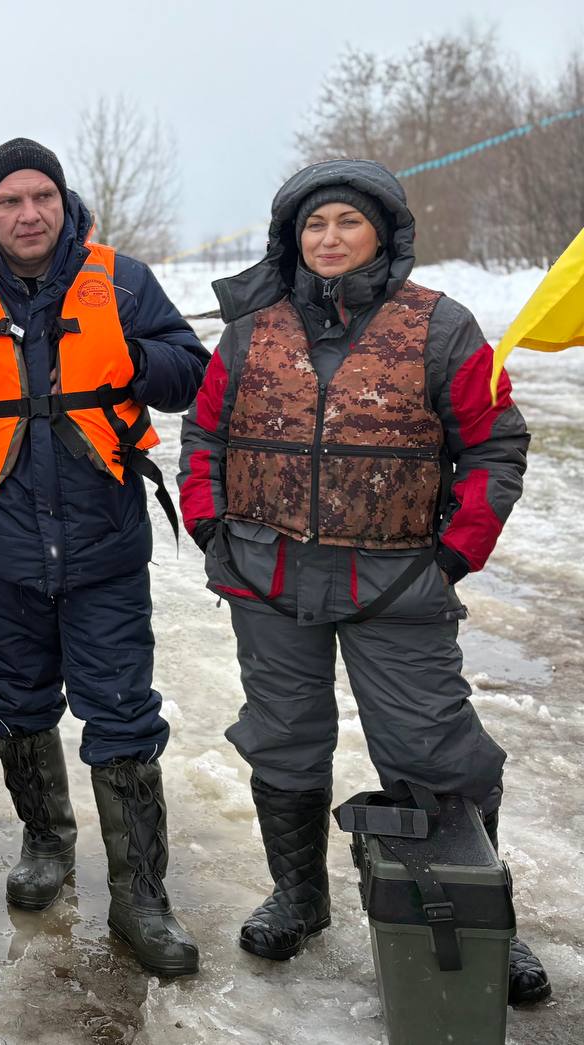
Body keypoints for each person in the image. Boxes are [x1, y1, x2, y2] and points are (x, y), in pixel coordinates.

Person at [177, 158, 550, 1004]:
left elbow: (496, 443)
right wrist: (211, 528)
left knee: (434, 746)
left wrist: (455, 554)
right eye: (314, 225)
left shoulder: (441, 327)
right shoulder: (250, 330)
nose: (330, 238)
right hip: (268, 577)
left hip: (398, 584)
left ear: (383, 231)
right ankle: (300, 895)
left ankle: (481, 911)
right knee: (283, 739)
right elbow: (203, 435)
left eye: (347, 221)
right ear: (293, 239)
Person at [0, 139, 208, 977]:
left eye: (42, 198)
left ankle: (142, 896)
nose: (28, 214)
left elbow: (191, 374)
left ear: (64, 205)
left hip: (103, 546)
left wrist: (134, 359)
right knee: (18, 703)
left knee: (123, 714)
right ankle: (46, 839)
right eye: (9, 202)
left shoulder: (126, 283)